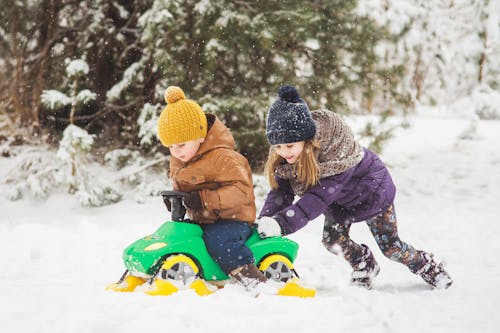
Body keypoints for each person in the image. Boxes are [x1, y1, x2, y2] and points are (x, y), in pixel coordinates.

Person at [256, 85, 453, 290]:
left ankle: (429, 267)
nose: (283, 152)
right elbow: (280, 193)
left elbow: (316, 199)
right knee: (332, 240)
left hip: (372, 193)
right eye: (278, 146)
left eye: (289, 146)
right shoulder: (288, 158)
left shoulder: (337, 156)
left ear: (307, 140)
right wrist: (266, 221)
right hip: (340, 202)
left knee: (391, 247)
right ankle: (365, 264)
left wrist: (281, 223)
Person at [157, 86, 266, 290]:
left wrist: (205, 199)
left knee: (220, 241)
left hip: (233, 220)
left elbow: (242, 192)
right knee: (183, 236)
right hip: (204, 219)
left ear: (200, 135)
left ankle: (250, 277)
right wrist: (177, 200)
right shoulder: (181, 159)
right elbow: (183, 187)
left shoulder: (224, 158)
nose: (176, 152)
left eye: (180, 145)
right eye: (170, 147)